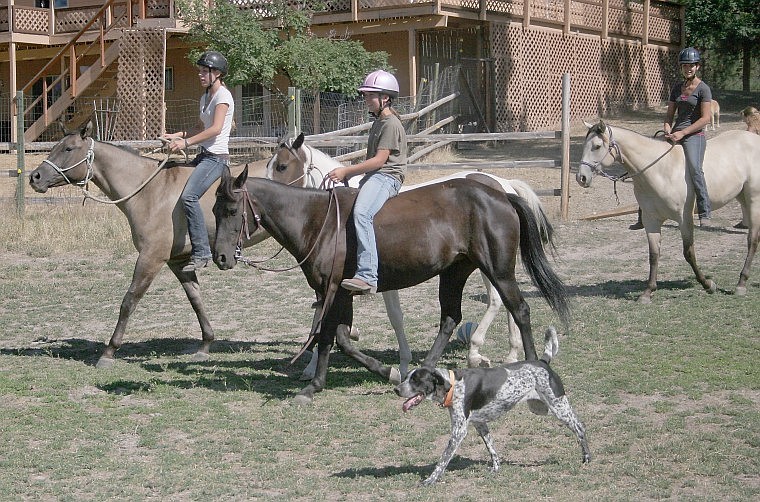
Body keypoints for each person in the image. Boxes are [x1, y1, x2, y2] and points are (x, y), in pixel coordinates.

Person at [327, 70, 407, 294]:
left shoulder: (390, 124)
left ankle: (368, 276)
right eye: (365, 95)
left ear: (385, 98)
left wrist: (347, 171)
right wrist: (352, 175)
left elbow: (380, 161)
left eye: (369, 95)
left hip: (387, 177)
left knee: (362, 213)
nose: (365, 99)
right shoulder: (379, 122)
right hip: (375, 176)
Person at [163, 50, 234, 272]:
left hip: (217, 159)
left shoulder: (223, 96)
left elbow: (215, 129)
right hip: (204, 155)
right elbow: (199, 127)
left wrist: (186, 144)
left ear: (217, 73)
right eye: (200, 71)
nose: (200, 75)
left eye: (205, 71)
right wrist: (176, 135)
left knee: (189, 196)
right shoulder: (205, 97)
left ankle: (202, 252)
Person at [630, 47, 714, 230]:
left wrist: (683, 133)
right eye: (685, 66)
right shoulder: (677, 88)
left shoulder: (703, 89)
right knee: (650, 164)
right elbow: (669, 116)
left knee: (695, 168)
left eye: (691, 65)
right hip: (675, 133)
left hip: (694, 135)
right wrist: (667, 129)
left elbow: (705, 119)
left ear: (697, 66)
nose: (688, 69)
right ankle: (643, 214)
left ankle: (704, 212)